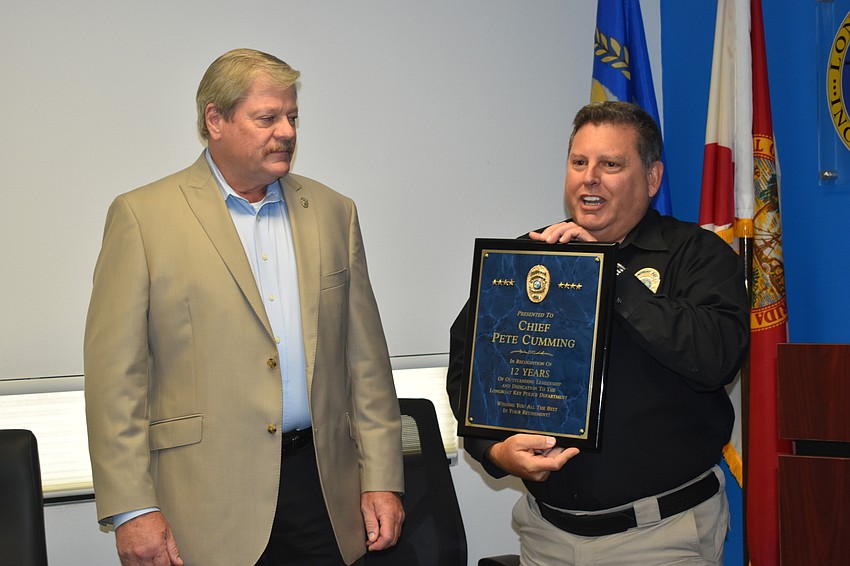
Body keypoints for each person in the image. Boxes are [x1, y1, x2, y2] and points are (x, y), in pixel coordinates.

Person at [84, 48, 404, 566]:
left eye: (293, 117)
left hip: (323, 491)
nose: (287, 131)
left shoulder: (332, 213)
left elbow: (366, 363)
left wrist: (383, 479)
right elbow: (115, 381)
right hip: (203, 501)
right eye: (267, 118)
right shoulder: (142, 218)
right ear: (216, 119)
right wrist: (131, 508)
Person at [447, 101, 749, 565]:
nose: (590, 177)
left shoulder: (698, 256)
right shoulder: (530, 256)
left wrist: (607, 276)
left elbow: (714, 359)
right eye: (579, 162)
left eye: (610, 164)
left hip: (660, 537)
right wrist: (495, 451)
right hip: (545, 534)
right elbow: (470, 369)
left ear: (651, 179)